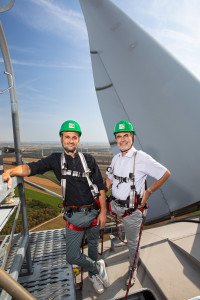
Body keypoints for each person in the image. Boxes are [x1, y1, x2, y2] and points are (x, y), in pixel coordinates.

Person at [3, 120, 110, 294]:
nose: (71, 140)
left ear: (78, 140)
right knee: (72, 256)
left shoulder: (89, 160)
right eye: (67, 137)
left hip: (93, 213)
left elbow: (100, 187)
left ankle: (92, 274)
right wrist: (11, 171)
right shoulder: (55, 160)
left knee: (92, 247)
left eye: (74, 137)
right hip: (74, 216)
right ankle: (97, 268)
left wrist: (103, 212)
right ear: (61, 139)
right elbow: (32, 168)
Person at [105, 120, 171, 286]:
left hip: (131, 211)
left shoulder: (141, 158)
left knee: (133, 244)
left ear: (132, 137)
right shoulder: (115, 159)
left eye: (126, 135)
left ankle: (132, 269)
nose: (122, 139)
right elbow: (109, 180)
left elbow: (165, 173)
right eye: (119, 136)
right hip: (114, 206)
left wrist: (148, 192)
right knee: (93, 218)